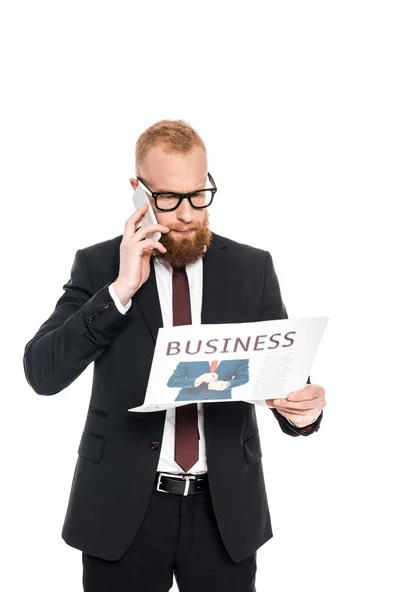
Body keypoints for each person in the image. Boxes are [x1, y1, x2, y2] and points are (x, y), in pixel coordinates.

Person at [23, 119, 326, 592]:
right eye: (168, 198)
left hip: (224, 514)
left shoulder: (253, 269)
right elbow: (42, 372)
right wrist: (121, 289)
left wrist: (303, 410)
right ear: (137, 193)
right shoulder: (99, 265)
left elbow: (284, 377)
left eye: (197, 194)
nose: (186, 214)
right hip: (120, 511)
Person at [167, 359, 250, 401]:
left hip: (220, 405)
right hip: (186, 402)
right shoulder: (190, 354)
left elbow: (243, 378)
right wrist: (199, 380)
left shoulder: (239, 356)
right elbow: (172, 381)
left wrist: (227, 384)